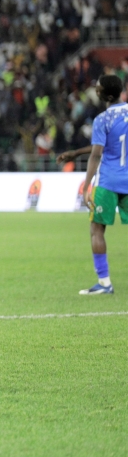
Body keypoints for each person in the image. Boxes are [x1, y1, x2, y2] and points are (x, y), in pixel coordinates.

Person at [80, 75, 128, 295]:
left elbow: (96, 154)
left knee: (97, 229)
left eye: (97, 88)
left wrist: (86, 185)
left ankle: (105, 283)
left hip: (108, 181)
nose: (95, 90)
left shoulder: (102, 119)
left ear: (107, 95)